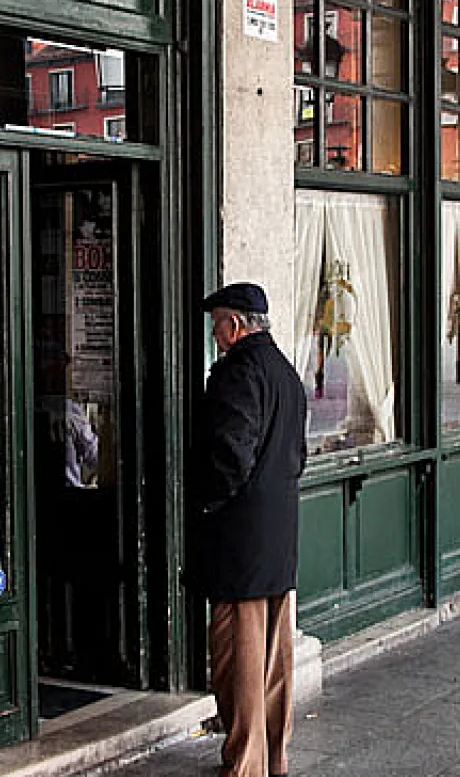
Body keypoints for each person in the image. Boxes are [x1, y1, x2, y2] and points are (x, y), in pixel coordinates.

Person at [188, 282, 307, 777]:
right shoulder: (284, 370)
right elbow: (297, 454)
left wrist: (208, 502)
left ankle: (244, 764)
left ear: (234, 325)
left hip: (239, 539)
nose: (214, 333)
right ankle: (273, 757)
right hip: (277, 534)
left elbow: (230, 454)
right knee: (276, 659)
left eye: (217, 322)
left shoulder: (237, 372)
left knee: (238, 654)